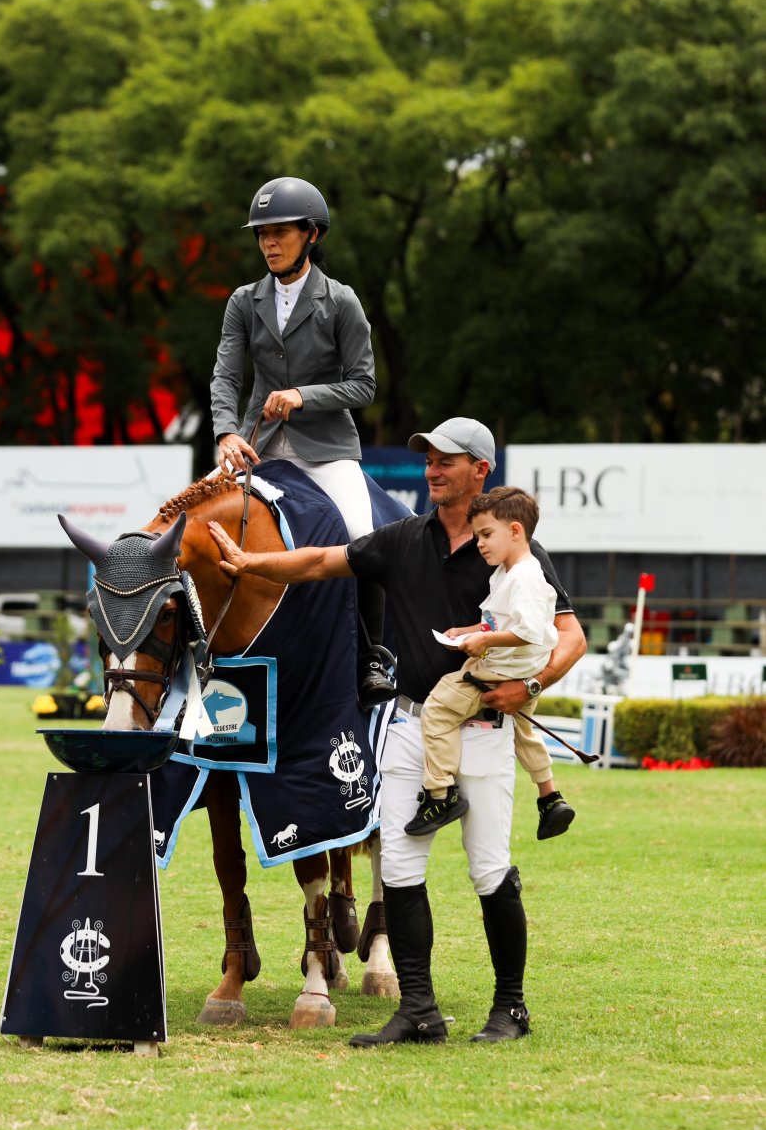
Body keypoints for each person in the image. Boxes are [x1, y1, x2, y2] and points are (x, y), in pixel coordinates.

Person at [208, 417, 587, 1047]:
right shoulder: (404, 537)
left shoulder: (515, 551)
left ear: (480, 472)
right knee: (403, 867)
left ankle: (511, 1009)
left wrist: (533, 686)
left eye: (446, 461)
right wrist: (253, 562)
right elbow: (323, 561)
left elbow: (571, 635)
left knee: (489, 868)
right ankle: (418, 1010)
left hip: (486, 727)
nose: (432, 470)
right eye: (428, 461)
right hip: (410, 724)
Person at [210, 175, 395, 708]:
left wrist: (303, 395)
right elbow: (226, 376)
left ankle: (372, 659)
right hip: (255, 443)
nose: (268, 242)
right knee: (191, 524)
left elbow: (364, 385)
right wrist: (226, 431)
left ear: (311, 234)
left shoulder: (341, 302)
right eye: (261, 234)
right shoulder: (244, 302)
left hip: (327, 448)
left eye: (280, 232)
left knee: (362, 535)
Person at [405, 486, 575, 841]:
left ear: (515, 531)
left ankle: (440, 794)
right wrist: (469, 630)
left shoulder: (524, 578)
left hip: (500, 670)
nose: (479, 543)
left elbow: (526, 631)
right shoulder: (506, 572)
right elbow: (502, 622)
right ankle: (550, 796)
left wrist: (484, 641)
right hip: (521, 671)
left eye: (485, 534)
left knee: (437, 709)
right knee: (524, 734)